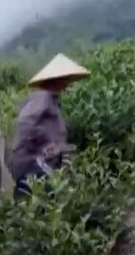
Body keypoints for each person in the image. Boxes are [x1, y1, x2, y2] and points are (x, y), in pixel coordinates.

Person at [9, 53, 90, 198]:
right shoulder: (43, 97)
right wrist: (45, 143)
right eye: (65, 79)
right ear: (56, 80)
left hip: (39, 165)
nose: (68, 83)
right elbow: (25, 123)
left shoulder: (51, 101)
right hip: (31, 164)